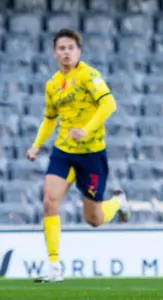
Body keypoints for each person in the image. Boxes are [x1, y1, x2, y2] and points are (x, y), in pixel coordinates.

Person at [26, 28, 130, 283]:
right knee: (50, 201)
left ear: (78, 51)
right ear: (54, 52)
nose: (66, 52)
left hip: (91, 154)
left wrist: (86, 129)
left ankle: (118, 203)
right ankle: (53, 266)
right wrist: (36, 145)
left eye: (70, 48)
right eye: (61, 48)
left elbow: (109, 104)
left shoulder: (89, 76)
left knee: (93, 219)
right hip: (63, 152)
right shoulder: (52, 84)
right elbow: (50, 118)